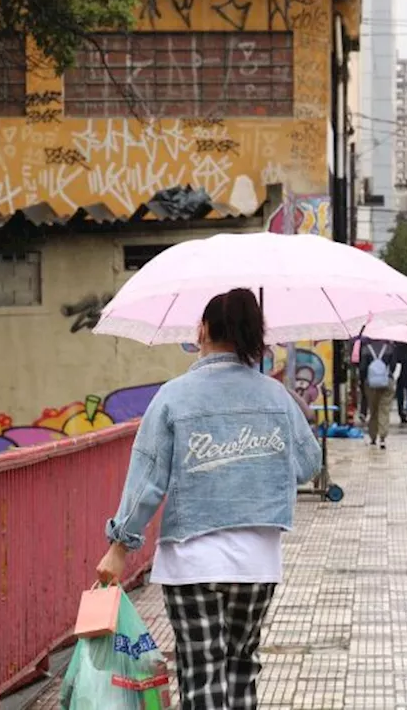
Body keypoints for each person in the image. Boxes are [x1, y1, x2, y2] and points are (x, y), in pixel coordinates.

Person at [95, 288, 322, 710]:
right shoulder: (276, 397)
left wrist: (119, 547)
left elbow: (147, 482)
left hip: (192, 561)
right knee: (240, 669)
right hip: (258, 561)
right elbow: (309, 464)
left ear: (202, 330)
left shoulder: (174, 396)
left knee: (201, 677)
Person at [361, 338, 395, 448]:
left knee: (373, 410)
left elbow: (362, 368)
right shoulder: (390, 348)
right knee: (384, 409)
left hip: (370, 384)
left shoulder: (366, 349)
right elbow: (393, 366)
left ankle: (373, 437)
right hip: (386, 382)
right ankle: (383, 438)